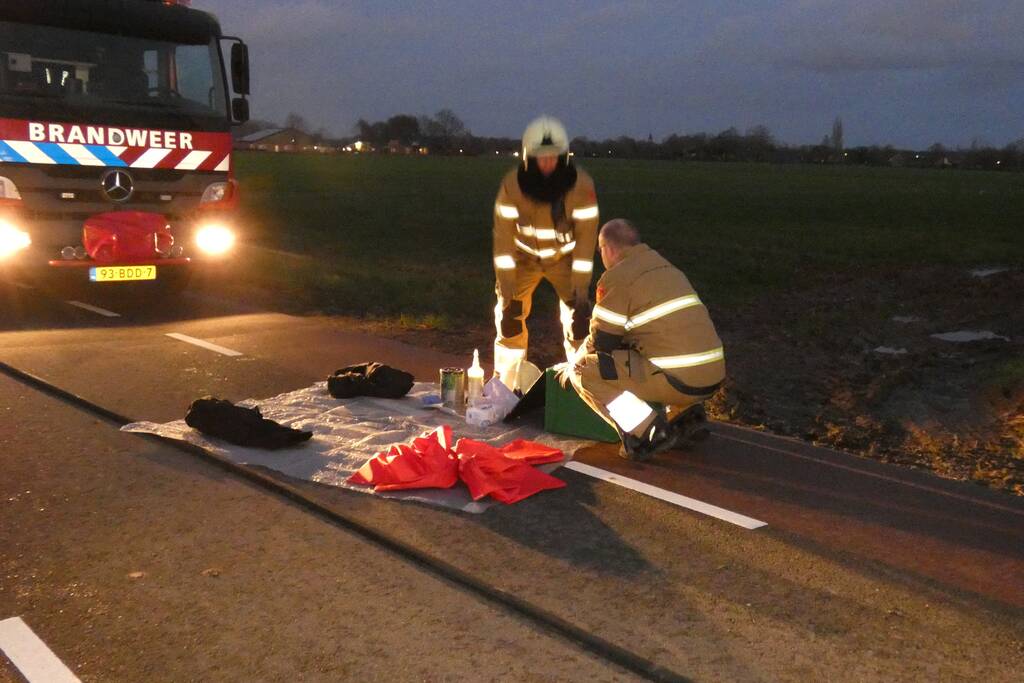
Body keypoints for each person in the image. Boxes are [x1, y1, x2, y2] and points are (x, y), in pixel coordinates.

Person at [568, 219, 726, 461]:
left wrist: (574, 360)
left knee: (584, 371)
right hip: (712, 375)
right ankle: (683, 413)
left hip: (678, 380)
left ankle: (645, 432)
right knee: (652, 351)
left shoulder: (617, 277)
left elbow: (603, 342)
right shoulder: (666, 268)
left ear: (607, 249)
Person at [492, 115, 600, 390]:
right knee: (510, 323)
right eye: (541, 157)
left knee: (580, 323)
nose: (548, 163)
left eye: (554, 157)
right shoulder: (512, 186)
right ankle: (507, 388)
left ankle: (582, 386)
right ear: (529, 157)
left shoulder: (581, 186)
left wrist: (580, 293)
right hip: (523, 259)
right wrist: (507, 295)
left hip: (564, 259)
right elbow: (503, 241)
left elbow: (586, 243)